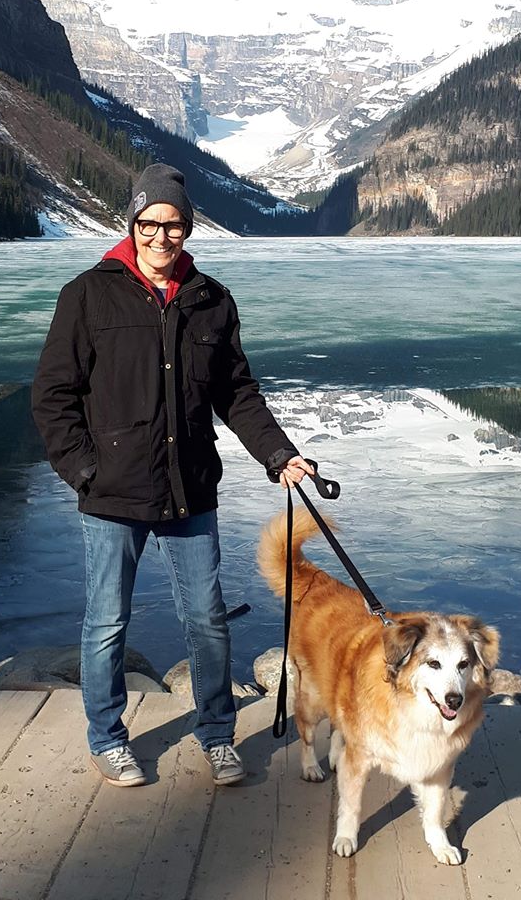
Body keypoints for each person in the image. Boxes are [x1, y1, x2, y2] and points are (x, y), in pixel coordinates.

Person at [32, 163, 312, 788]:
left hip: (190, 488)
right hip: (111, 492)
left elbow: (236, 393)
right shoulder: (87, 294)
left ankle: (217, 735)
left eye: (176, 224)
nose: (163, 236)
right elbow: (53, 395)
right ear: (132, 224)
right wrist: (83, 469)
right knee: (107, 622)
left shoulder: (210, 299)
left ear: (188, 228)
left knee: (207, 618)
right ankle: (108, 738)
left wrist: (278, 454)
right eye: (151, 223)